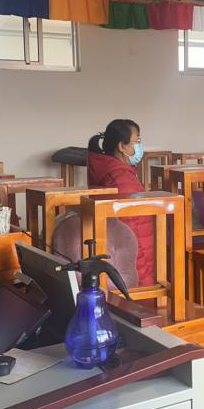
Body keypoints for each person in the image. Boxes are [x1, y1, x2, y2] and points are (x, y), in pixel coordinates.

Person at [86, 119, 155, 286]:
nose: (139, 146)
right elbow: (130, 236)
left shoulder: (117, 172)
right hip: (135, 269)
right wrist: (145, 280)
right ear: (121, 146)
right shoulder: (121, 180)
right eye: (136, 141)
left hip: (126, 264)